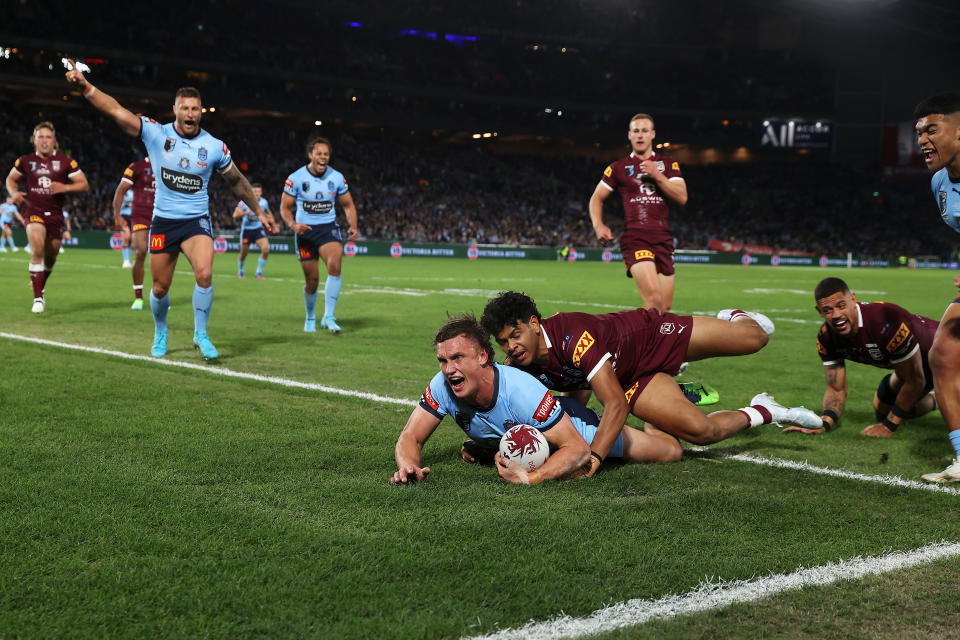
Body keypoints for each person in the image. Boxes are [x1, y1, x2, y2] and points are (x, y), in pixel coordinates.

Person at [65, 60, 277, 359]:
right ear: (175, 109)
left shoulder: (214, 146)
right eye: (185, 108)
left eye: (195, 109)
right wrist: (86, 87)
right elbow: (116, 110)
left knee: (204, 275)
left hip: (196, 222)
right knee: (160, 289)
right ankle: (160, 331)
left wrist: (258, 209)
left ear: (201, 111)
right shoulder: (156, 133)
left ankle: (201, 334)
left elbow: (237, 181)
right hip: (164, 222)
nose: (190, 114)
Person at [481, 291, 821, 476]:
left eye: (516, 335)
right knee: (701, 434)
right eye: (504, 342)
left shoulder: (574, 338)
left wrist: (594, 457)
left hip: (649, 337)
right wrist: (488, 448)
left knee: (756, 338)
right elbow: (571, 397)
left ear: (535, 324)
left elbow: (614, 405)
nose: (512, 347)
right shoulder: (520, 366)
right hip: (628, 377)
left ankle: (733, 316)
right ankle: (765, 409)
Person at [391, 314, 682, 485]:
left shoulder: (520, 391)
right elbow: (410, 437)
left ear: (482, 356)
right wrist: (408, 466)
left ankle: (654, 396)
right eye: (443, 360)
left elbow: (578, 450)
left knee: (670, 451)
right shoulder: (443, 384)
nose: (448, 369)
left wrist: (531, 478)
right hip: (539, 432)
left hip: (572, 426)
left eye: (457, 357)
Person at [783, 277, 939, 438]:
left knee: (906, 407)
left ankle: (950, 395)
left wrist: (889, 426)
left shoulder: (884, 322)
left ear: (853, 299)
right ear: (819, 311)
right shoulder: (826, 338)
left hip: (947, 354)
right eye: (828, 310)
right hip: (912, 364)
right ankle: (938, 401)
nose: (836, 315)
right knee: (884, 411)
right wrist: (824, 423)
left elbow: (915, 380)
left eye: (841, 306)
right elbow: (836, 388)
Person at [588, 113, 687, 312]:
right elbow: (596, 198)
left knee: (664, 309)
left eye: (644, 131)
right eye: (636, 131)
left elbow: (681, 197)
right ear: (629, 135)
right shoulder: (618, 168)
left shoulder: (668, 165)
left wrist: (657, 175)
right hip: (636, 238)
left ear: (653, 134)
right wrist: (598, 225)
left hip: (663, 238)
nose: (640, 135)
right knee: (654, 302)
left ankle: (653, 342)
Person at [913, 91, 960, 482]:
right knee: (943, 353)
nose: (922, 140)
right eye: (918, 132)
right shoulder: (939, 182)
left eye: (932, 129)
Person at [5, 121, 89, 314]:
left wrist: (65, 187)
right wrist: (13, 193)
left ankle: (39, 284)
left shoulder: (66, 161)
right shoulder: (25, 161)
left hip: (56, 215)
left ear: (54, 141)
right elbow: (11, 179)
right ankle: (38, 298)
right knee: (37, 248)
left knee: (51, 257)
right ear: (34, 140)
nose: (44, 140)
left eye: (48, 137)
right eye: (40, 137)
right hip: (33, 211)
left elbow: (83, 184)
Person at [280, 136, 358, 333]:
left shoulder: (337, 178)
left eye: (326, 154)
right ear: (310, 155)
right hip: (305, 232)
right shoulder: (296, 178)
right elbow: (284, 208)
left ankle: (329, 316)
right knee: (312, 281)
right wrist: (293, 225)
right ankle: (310, 316)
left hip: (328, 229)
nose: (323, 157)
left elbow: (348, 205)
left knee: (335, 264)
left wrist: (353, 225)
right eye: (319, 153)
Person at [112, 156, 156, 310]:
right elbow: (121, 189)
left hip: (162, 215)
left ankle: (159, 296)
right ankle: (138, 296)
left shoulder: (170, 165)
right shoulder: (137, 166)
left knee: (160, 257)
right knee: (140, 251)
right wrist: (117, 215)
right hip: (141, 216)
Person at [232, 183, 274, 279]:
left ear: (261, 193)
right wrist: (247, 212)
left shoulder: (264, 202)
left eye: (258, 191)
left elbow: (269, 213)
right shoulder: (244, 202)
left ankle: (258, 272)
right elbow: (235, 216)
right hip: (247, 231)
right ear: (250, 191)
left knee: (266, 249)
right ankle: (241, 271)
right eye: (254, 191)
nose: (256, 193)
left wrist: (273, 223)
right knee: (244, 253)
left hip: (258, 229)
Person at [116, 188, 134, 268]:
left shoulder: (135, 192)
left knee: (131, 239)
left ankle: (128, 261)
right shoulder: (122, 192)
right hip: (123, 216)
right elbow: (117, 204)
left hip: (133, 217)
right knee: (126, 237)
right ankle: (125, 261)